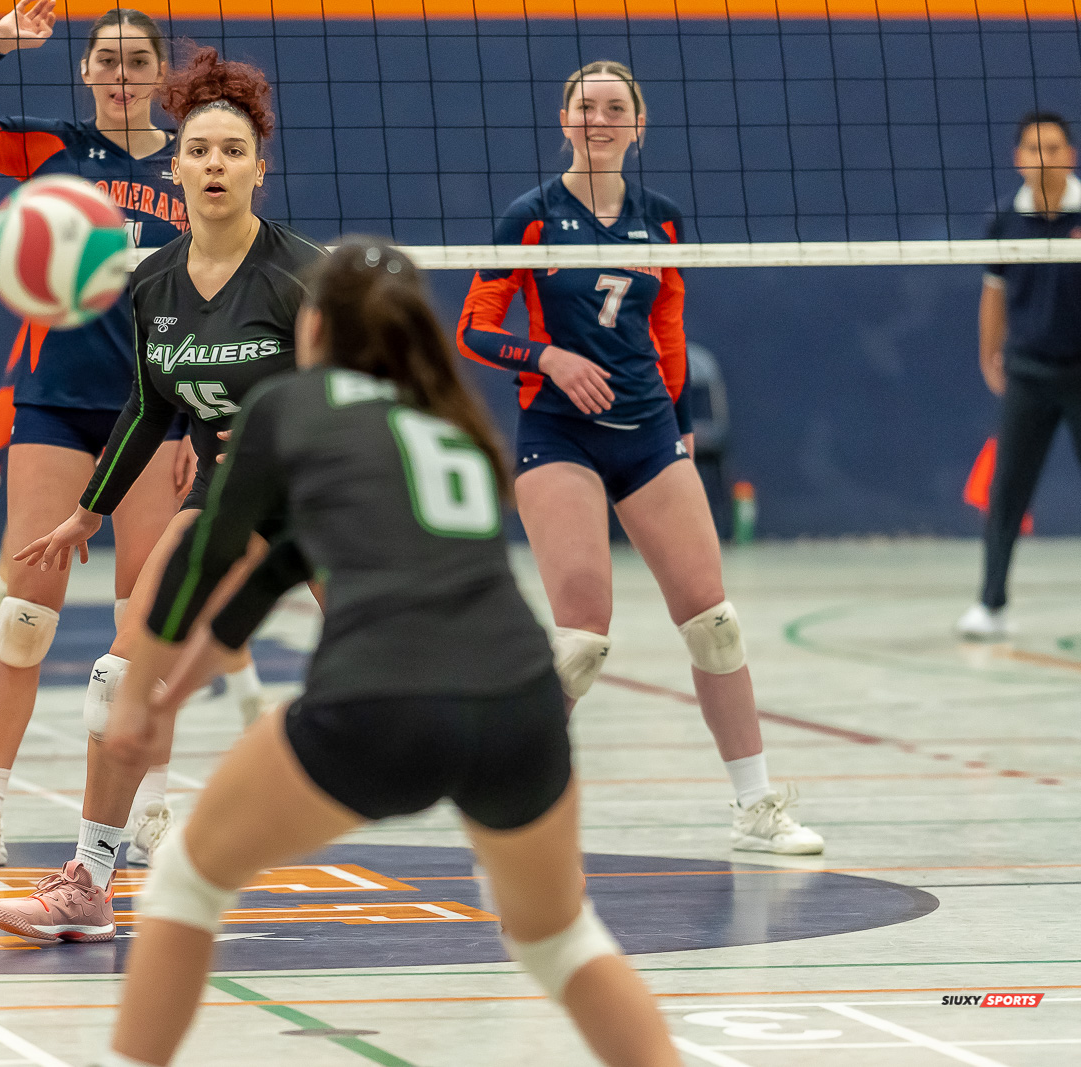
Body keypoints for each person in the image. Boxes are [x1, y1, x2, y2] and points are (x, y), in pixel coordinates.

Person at [88, 239, 682, 1067]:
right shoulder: (449, 424)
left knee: (187, 879)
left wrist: (138, 705)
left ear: (315, 323)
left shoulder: (288, 406)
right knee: (557, 939)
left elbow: (204, 558)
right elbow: (282, 563)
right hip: (521, 706)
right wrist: (174, 694)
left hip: (381, 702)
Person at [0, 44, 326, 944]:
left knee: (411, 672)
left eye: (233, 151)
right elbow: (146, 407)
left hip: (321, 497)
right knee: (114, 678)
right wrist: (88, 510)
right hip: (222, 500)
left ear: (260, 167)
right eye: (200, 150)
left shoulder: (305, 276)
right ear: (173, 165)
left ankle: (518, 820)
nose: (215, 164)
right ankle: (90, 879)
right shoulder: (153, 284)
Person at [457, 61, 822, 855]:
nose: (599, 118)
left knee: (715, 625)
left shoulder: (661, 221)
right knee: (581, 641)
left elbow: (669, 332)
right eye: (585, 106)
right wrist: (547, 357)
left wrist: (682, 426)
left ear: (637, 126)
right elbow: (475, 328)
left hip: (652, 433)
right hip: (559, 433)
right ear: (564, 121)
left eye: (614, 107)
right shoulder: (530, 217)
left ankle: (755, 806)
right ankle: (507, 800)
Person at [0, 1, 225, 869]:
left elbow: (210, 303)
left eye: (135, 62)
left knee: (142, 619)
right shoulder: (51, 148)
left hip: (154, 410)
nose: (120, 75)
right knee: (23, 616)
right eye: (105, 61)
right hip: (54, 403)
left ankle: (149, 809)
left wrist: (196, 415)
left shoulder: (194, 173)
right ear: (84, 71)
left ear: (162, 77)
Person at [956, 111, 1081, 640]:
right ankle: (991, 604)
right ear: (1017, 159)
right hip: (1028, 372)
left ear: (1070, 155)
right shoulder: (1003, 220)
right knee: (1007, 492)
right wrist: (990, 356)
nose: (1043, 157)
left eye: (1053, 147)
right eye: (1033, 148)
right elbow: (994, 294)